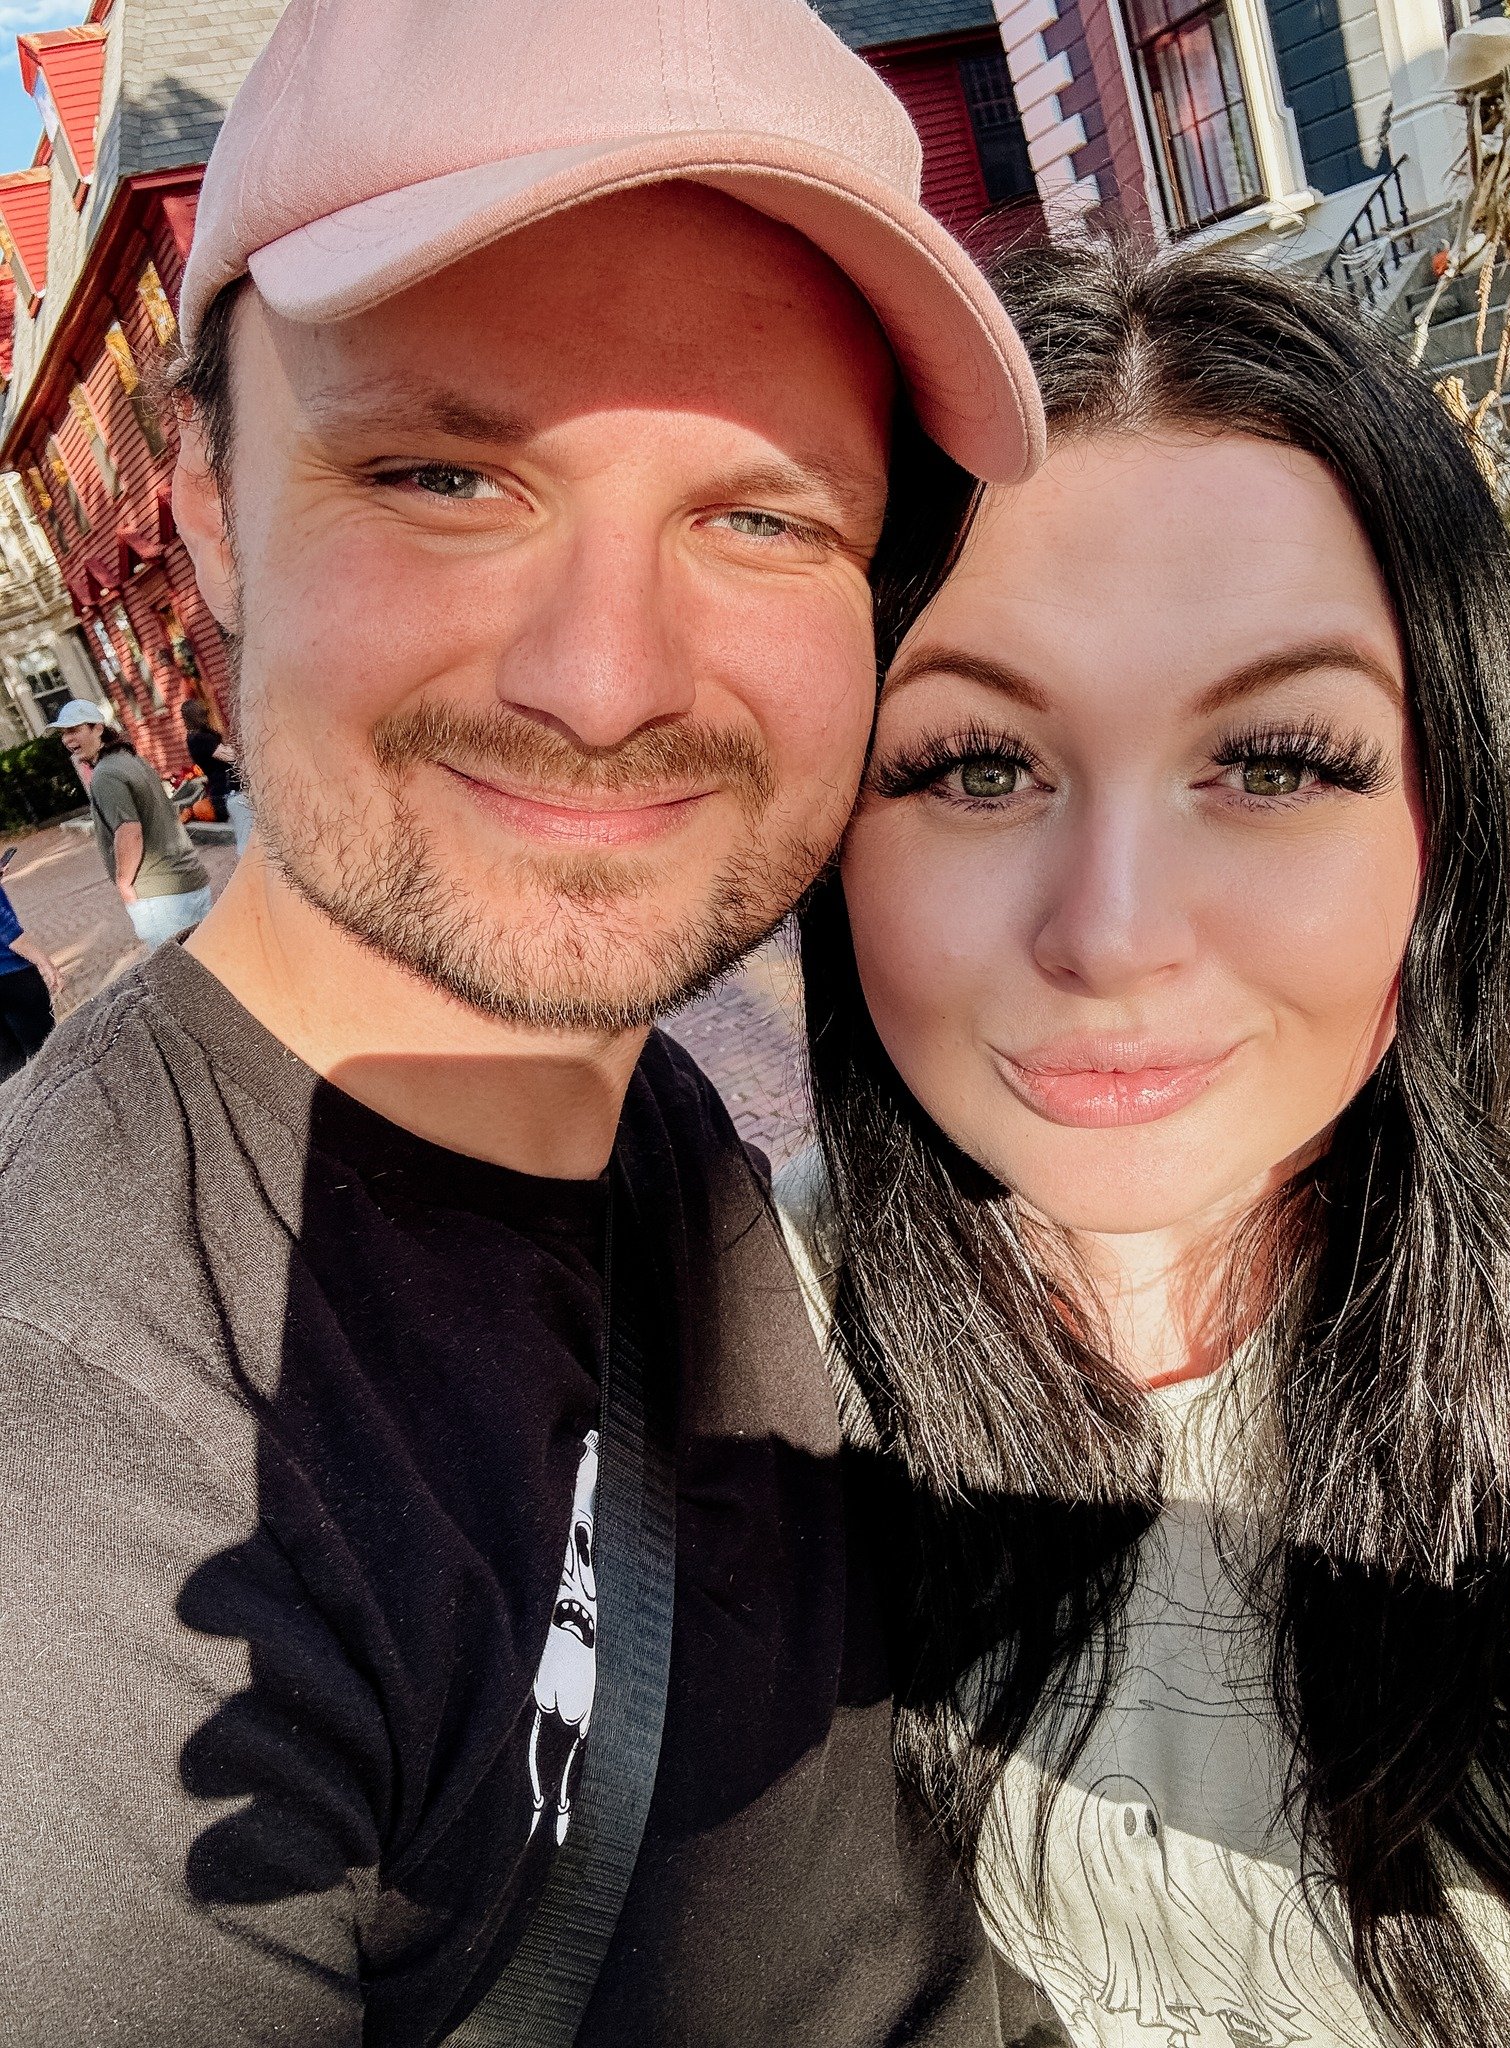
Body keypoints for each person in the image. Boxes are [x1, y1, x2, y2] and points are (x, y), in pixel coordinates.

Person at [0, 0, 1043, 2042]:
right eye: (446, 473)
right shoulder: (90, 1502)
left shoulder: (648, 1120)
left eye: (763, 514)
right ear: (207, 503)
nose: (604, 677)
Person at [789, 238, 1510, 2048]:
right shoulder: (688, 1403)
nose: (1112, 935)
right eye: (975, 765)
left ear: (1453, 809)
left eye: (1274, 762)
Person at [52, 698, 214, 945]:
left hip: (159, 894)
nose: (67, 739)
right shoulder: (132, 759)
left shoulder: (106, 774)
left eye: (74, 730)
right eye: (63, 733)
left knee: (176, 967)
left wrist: (124, 883)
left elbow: (129, 831)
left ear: (98, 728)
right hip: (190, 879)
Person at [0, 873, 59, 1081]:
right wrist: (43, 961)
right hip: (13, 976)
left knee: (7, 1069)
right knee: (46, 1055)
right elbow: (5, 929)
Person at [180, 691, 254, 854]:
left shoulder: (197, 737)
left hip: (225, 791)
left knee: (249, 835)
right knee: (247, 839)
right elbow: (231, 756)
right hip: (229, 792)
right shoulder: (200, 739)